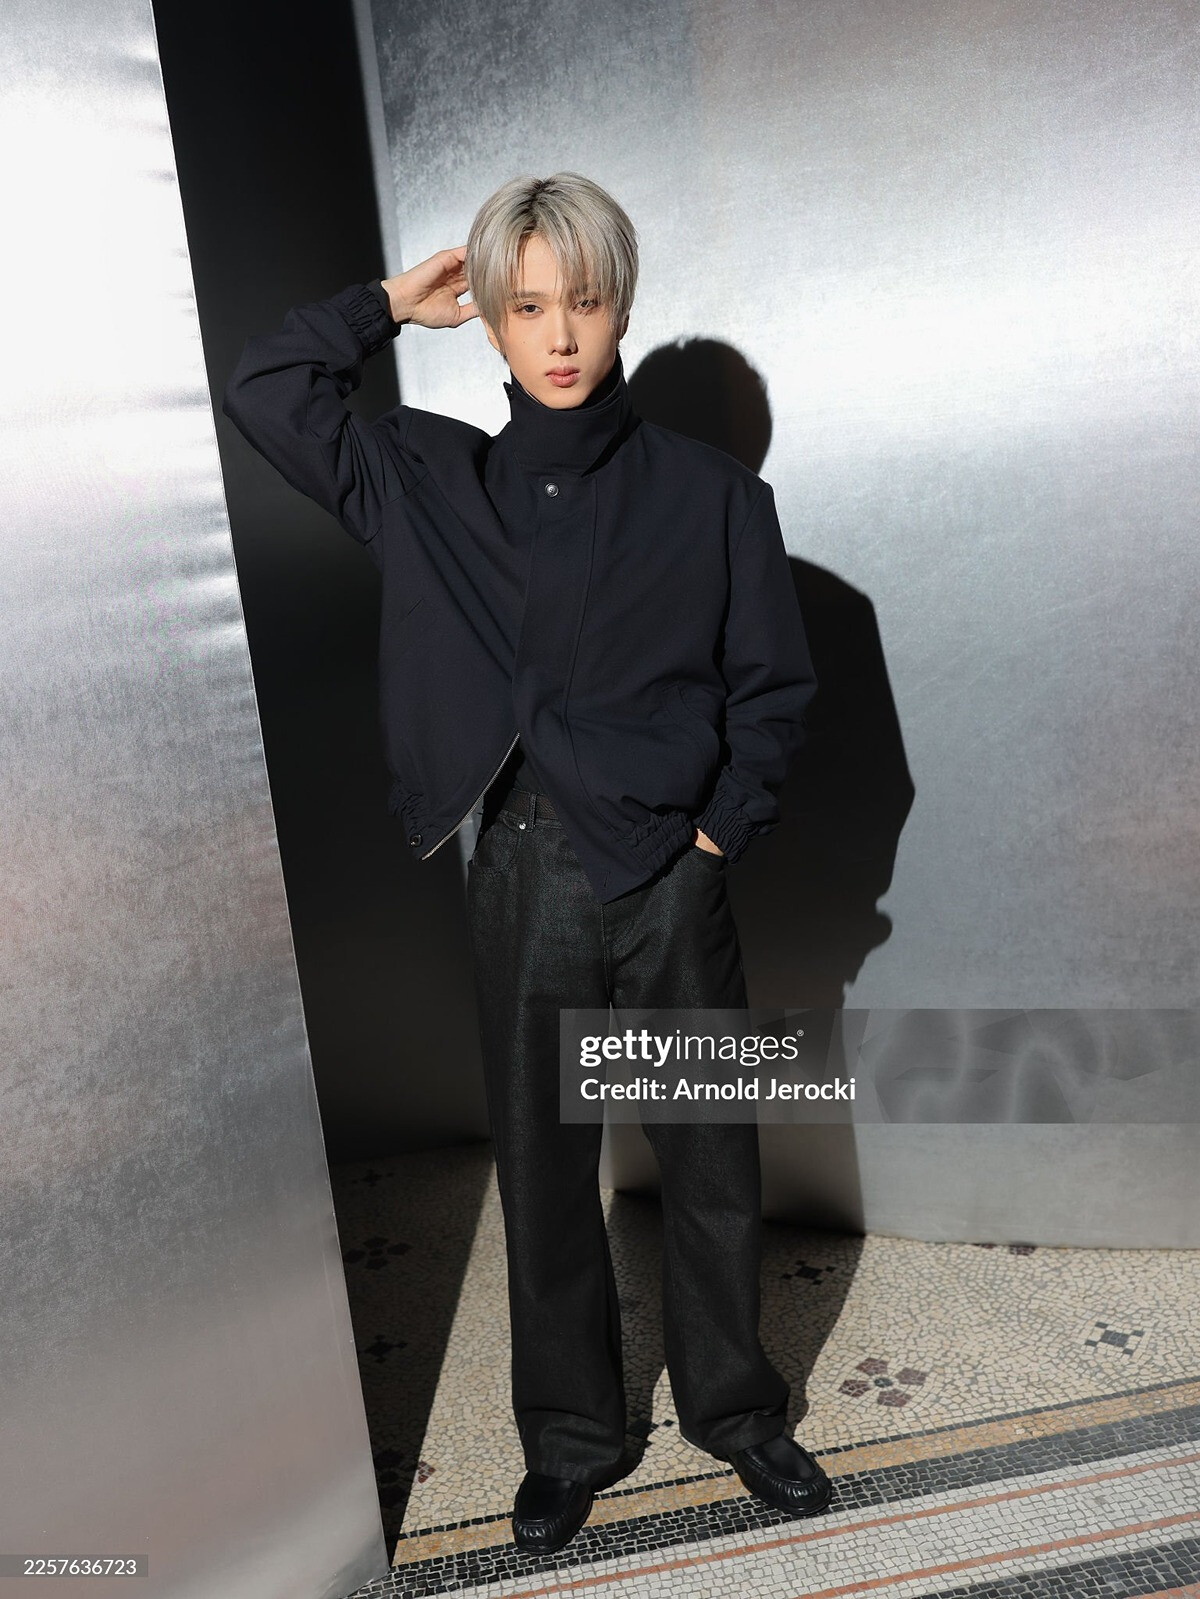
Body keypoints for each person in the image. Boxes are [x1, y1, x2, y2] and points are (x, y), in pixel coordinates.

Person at [222, 171, 829, 1555]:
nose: (560, 334)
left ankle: (738, 1411)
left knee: (711, 1158)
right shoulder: (425, 478)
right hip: (523, 869)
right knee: (545, 1172)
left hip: (672, 872)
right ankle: (569, 1440)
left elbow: (772, 688)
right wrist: (387, 306)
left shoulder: (715, 495)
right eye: (529, 305)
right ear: (492, 321)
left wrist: (718, 834)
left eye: (586, 301)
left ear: (623, 310)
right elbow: (267, 389)